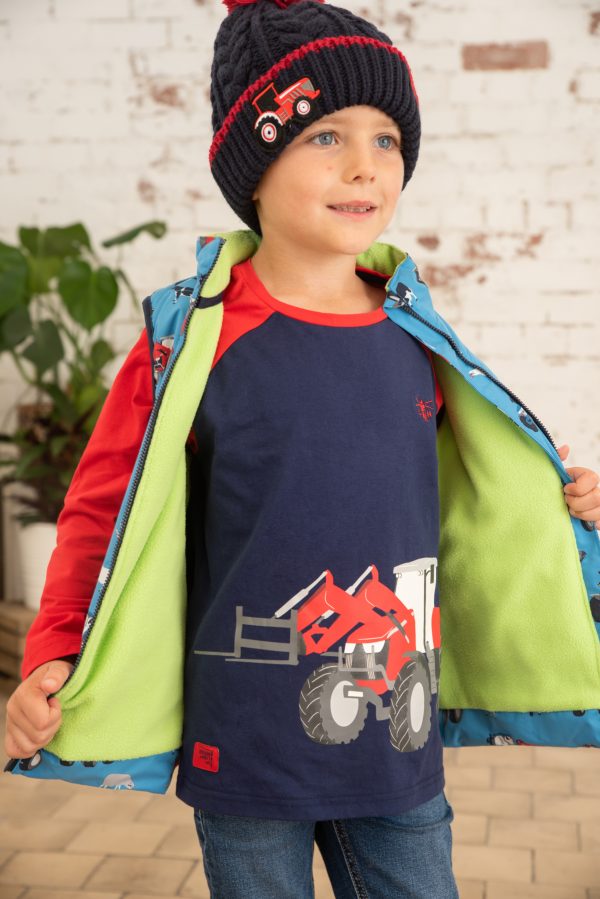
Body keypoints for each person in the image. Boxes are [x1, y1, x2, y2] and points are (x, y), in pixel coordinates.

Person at [5, 0, 600, 896]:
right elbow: (102, 510)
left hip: (397, 743)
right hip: (244, 743)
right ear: (253, 167)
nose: (366, 164)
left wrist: (566, 502)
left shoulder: (419, 337)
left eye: (387, 140)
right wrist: (54, 647)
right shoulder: (192, 341)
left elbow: (484, 486)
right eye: (326, 136)